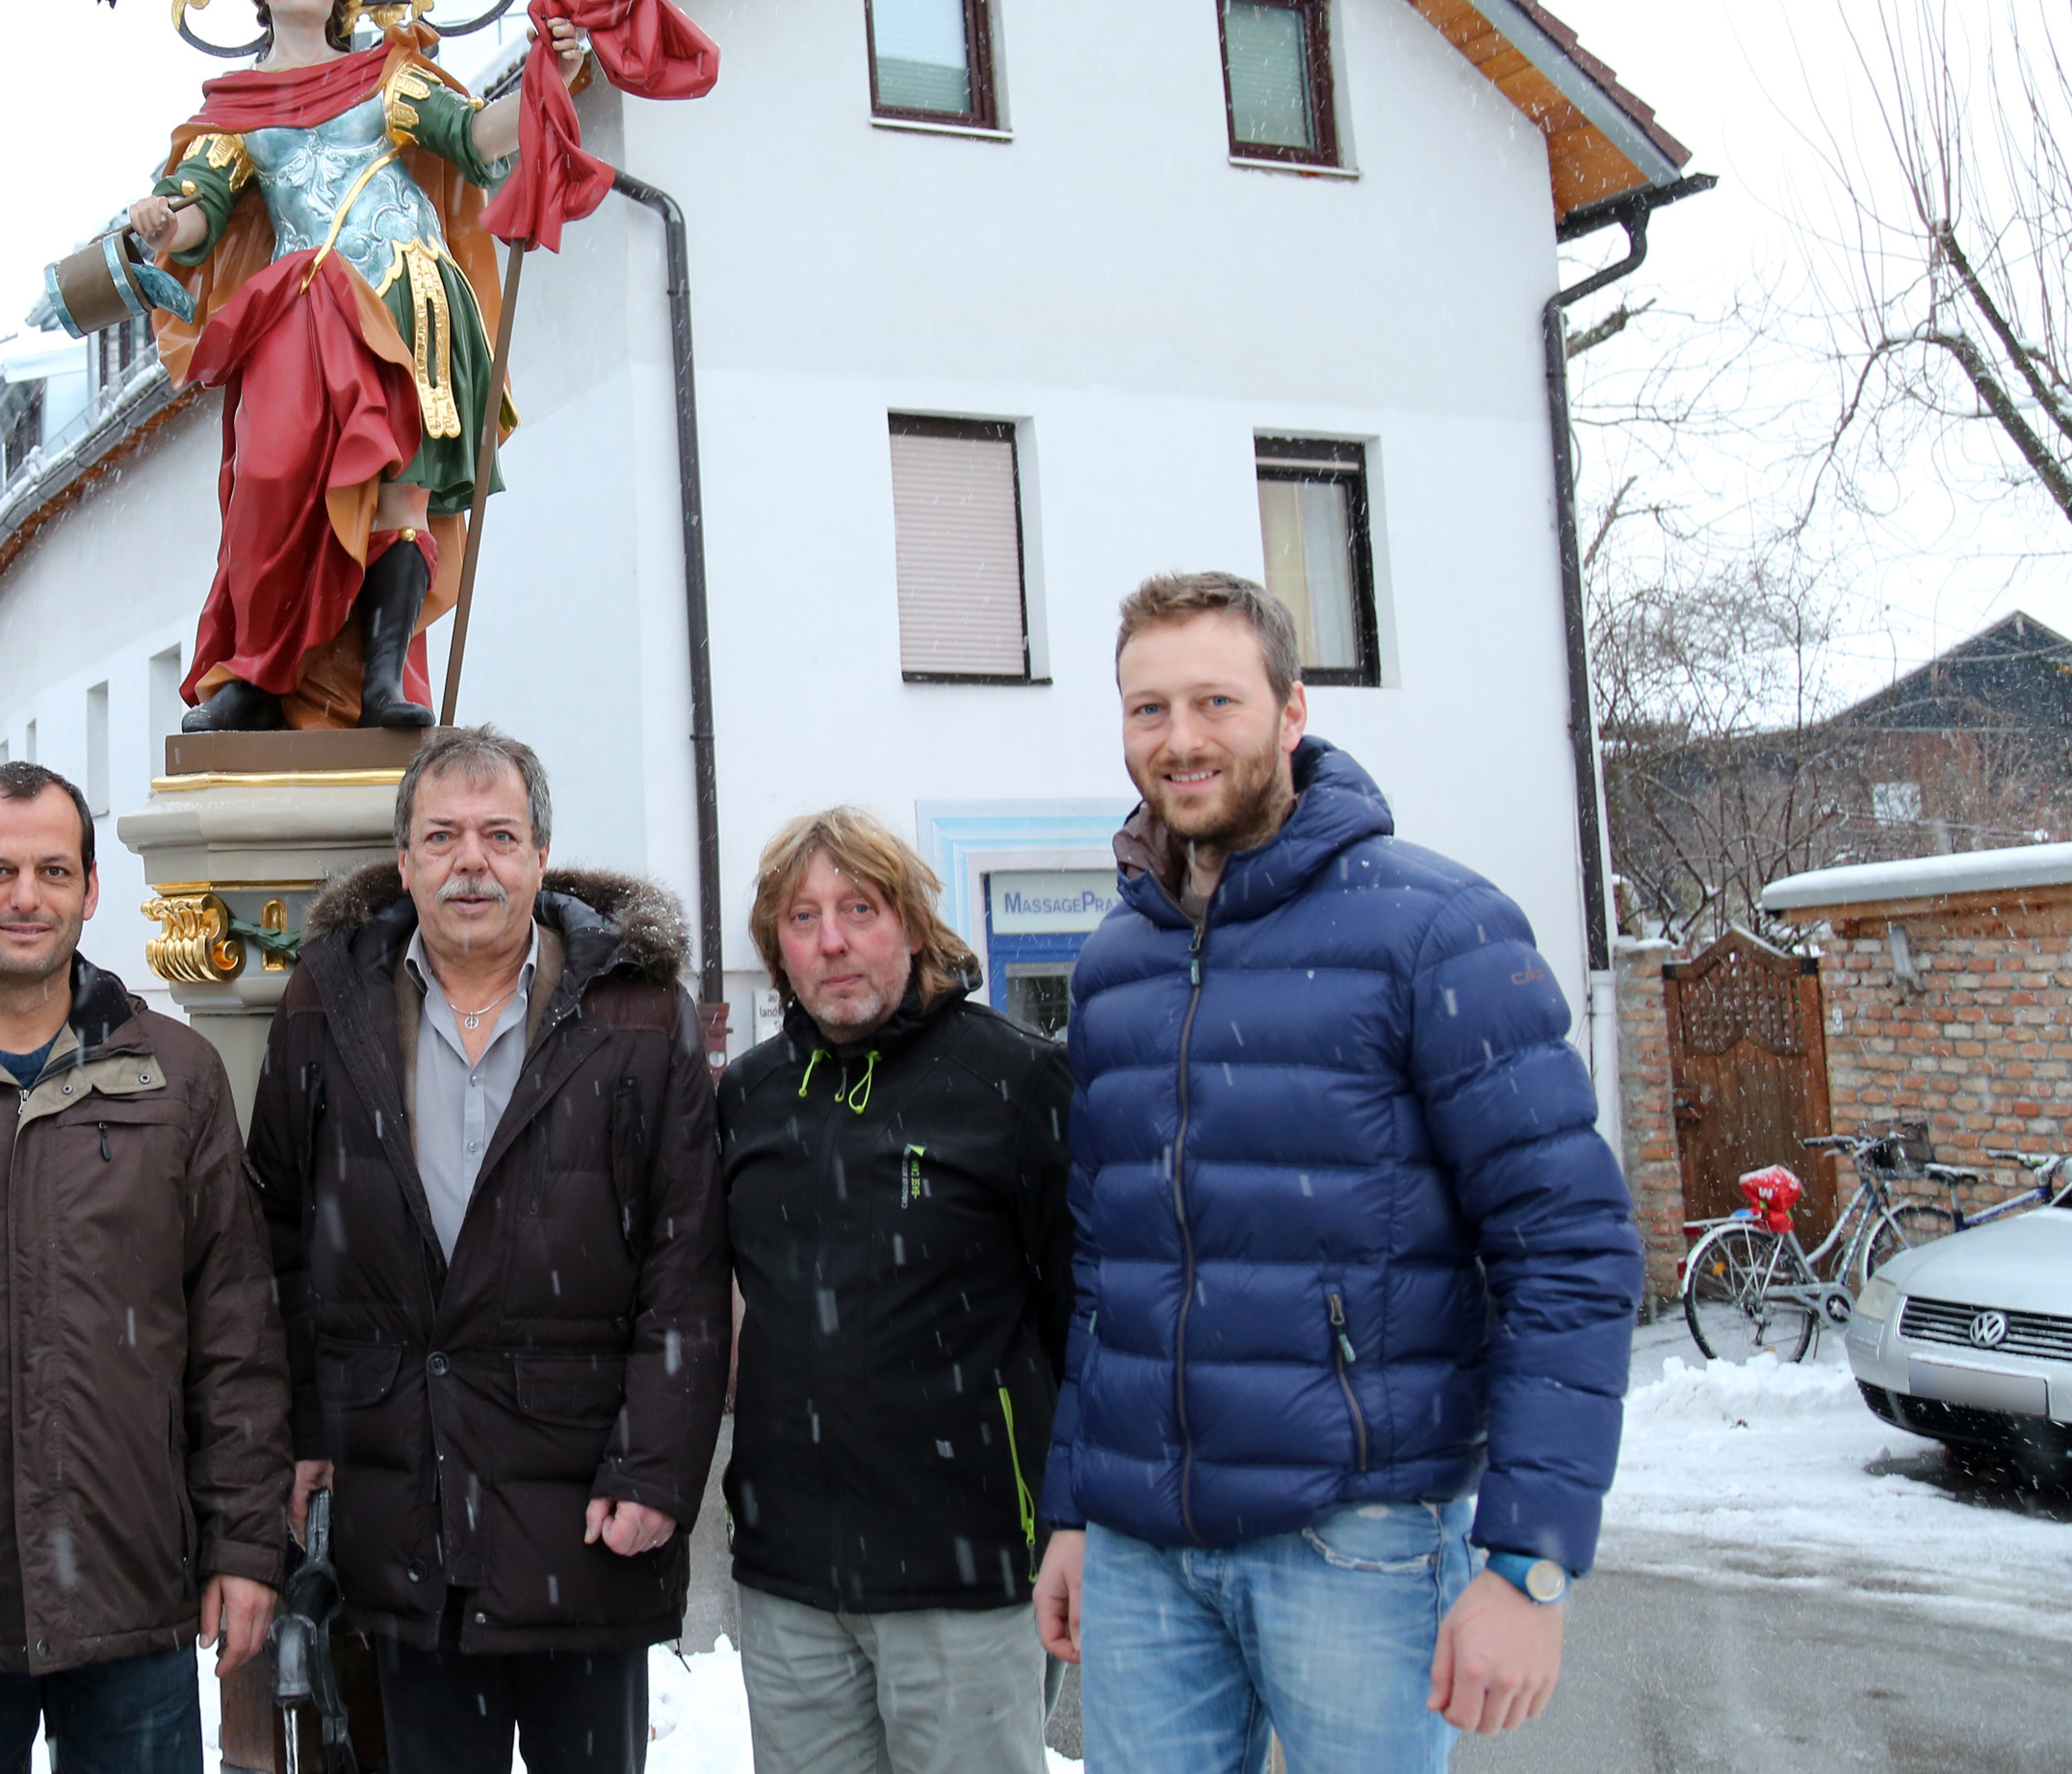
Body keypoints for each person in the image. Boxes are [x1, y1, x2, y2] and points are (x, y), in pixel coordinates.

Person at [1032, 574, 1644, 1770]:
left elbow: (1566, 1247)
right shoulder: (1115, 963)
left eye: (1215, 698)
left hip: (1357, 1539)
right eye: (1145, 708)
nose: (1180, 738)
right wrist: (1074, 1504)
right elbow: (1106, 1268)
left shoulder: (1433, 927)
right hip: (1143, 1551)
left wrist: (1528, 1556)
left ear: (1291, 708)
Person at [247, 726, 729, 1774]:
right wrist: (307, 1422)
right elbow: (277, 1234)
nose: (472, 860)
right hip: (403, 1498)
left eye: (499, 834)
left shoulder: (639, 1014)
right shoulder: (327, 1006)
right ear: (405, 859)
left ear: (539, 857)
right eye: (444, 836)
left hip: (588, 1513)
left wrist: (652, 1466)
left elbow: (684, 1264)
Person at [33, 0, 588, 733]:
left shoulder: (386, 76)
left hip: (405, 291)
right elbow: (201, 214)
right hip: (301, 310)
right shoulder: (238, 109)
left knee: (399, 486)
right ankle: (261, 671)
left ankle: (383, 682)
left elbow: (472, 138)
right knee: (268, 474)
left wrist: (545, 80)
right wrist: (157, 221)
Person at [0, 760, 290, 1773]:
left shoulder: (175, 1075)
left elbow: (233, 1330)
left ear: (89, 887)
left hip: (131, 1581)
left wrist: (246, 1541)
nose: (24, 896)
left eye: (50, 869)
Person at [719, 807, 1073, 1774]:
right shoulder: (747, 1096)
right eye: (801, 916)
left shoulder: (1016, 1081)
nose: (831, 939)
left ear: (910, 923)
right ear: (775, 948)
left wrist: (1073, 1513)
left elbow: (1078, 1320)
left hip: (966, 1568)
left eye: (859, 907)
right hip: (790, 1569)